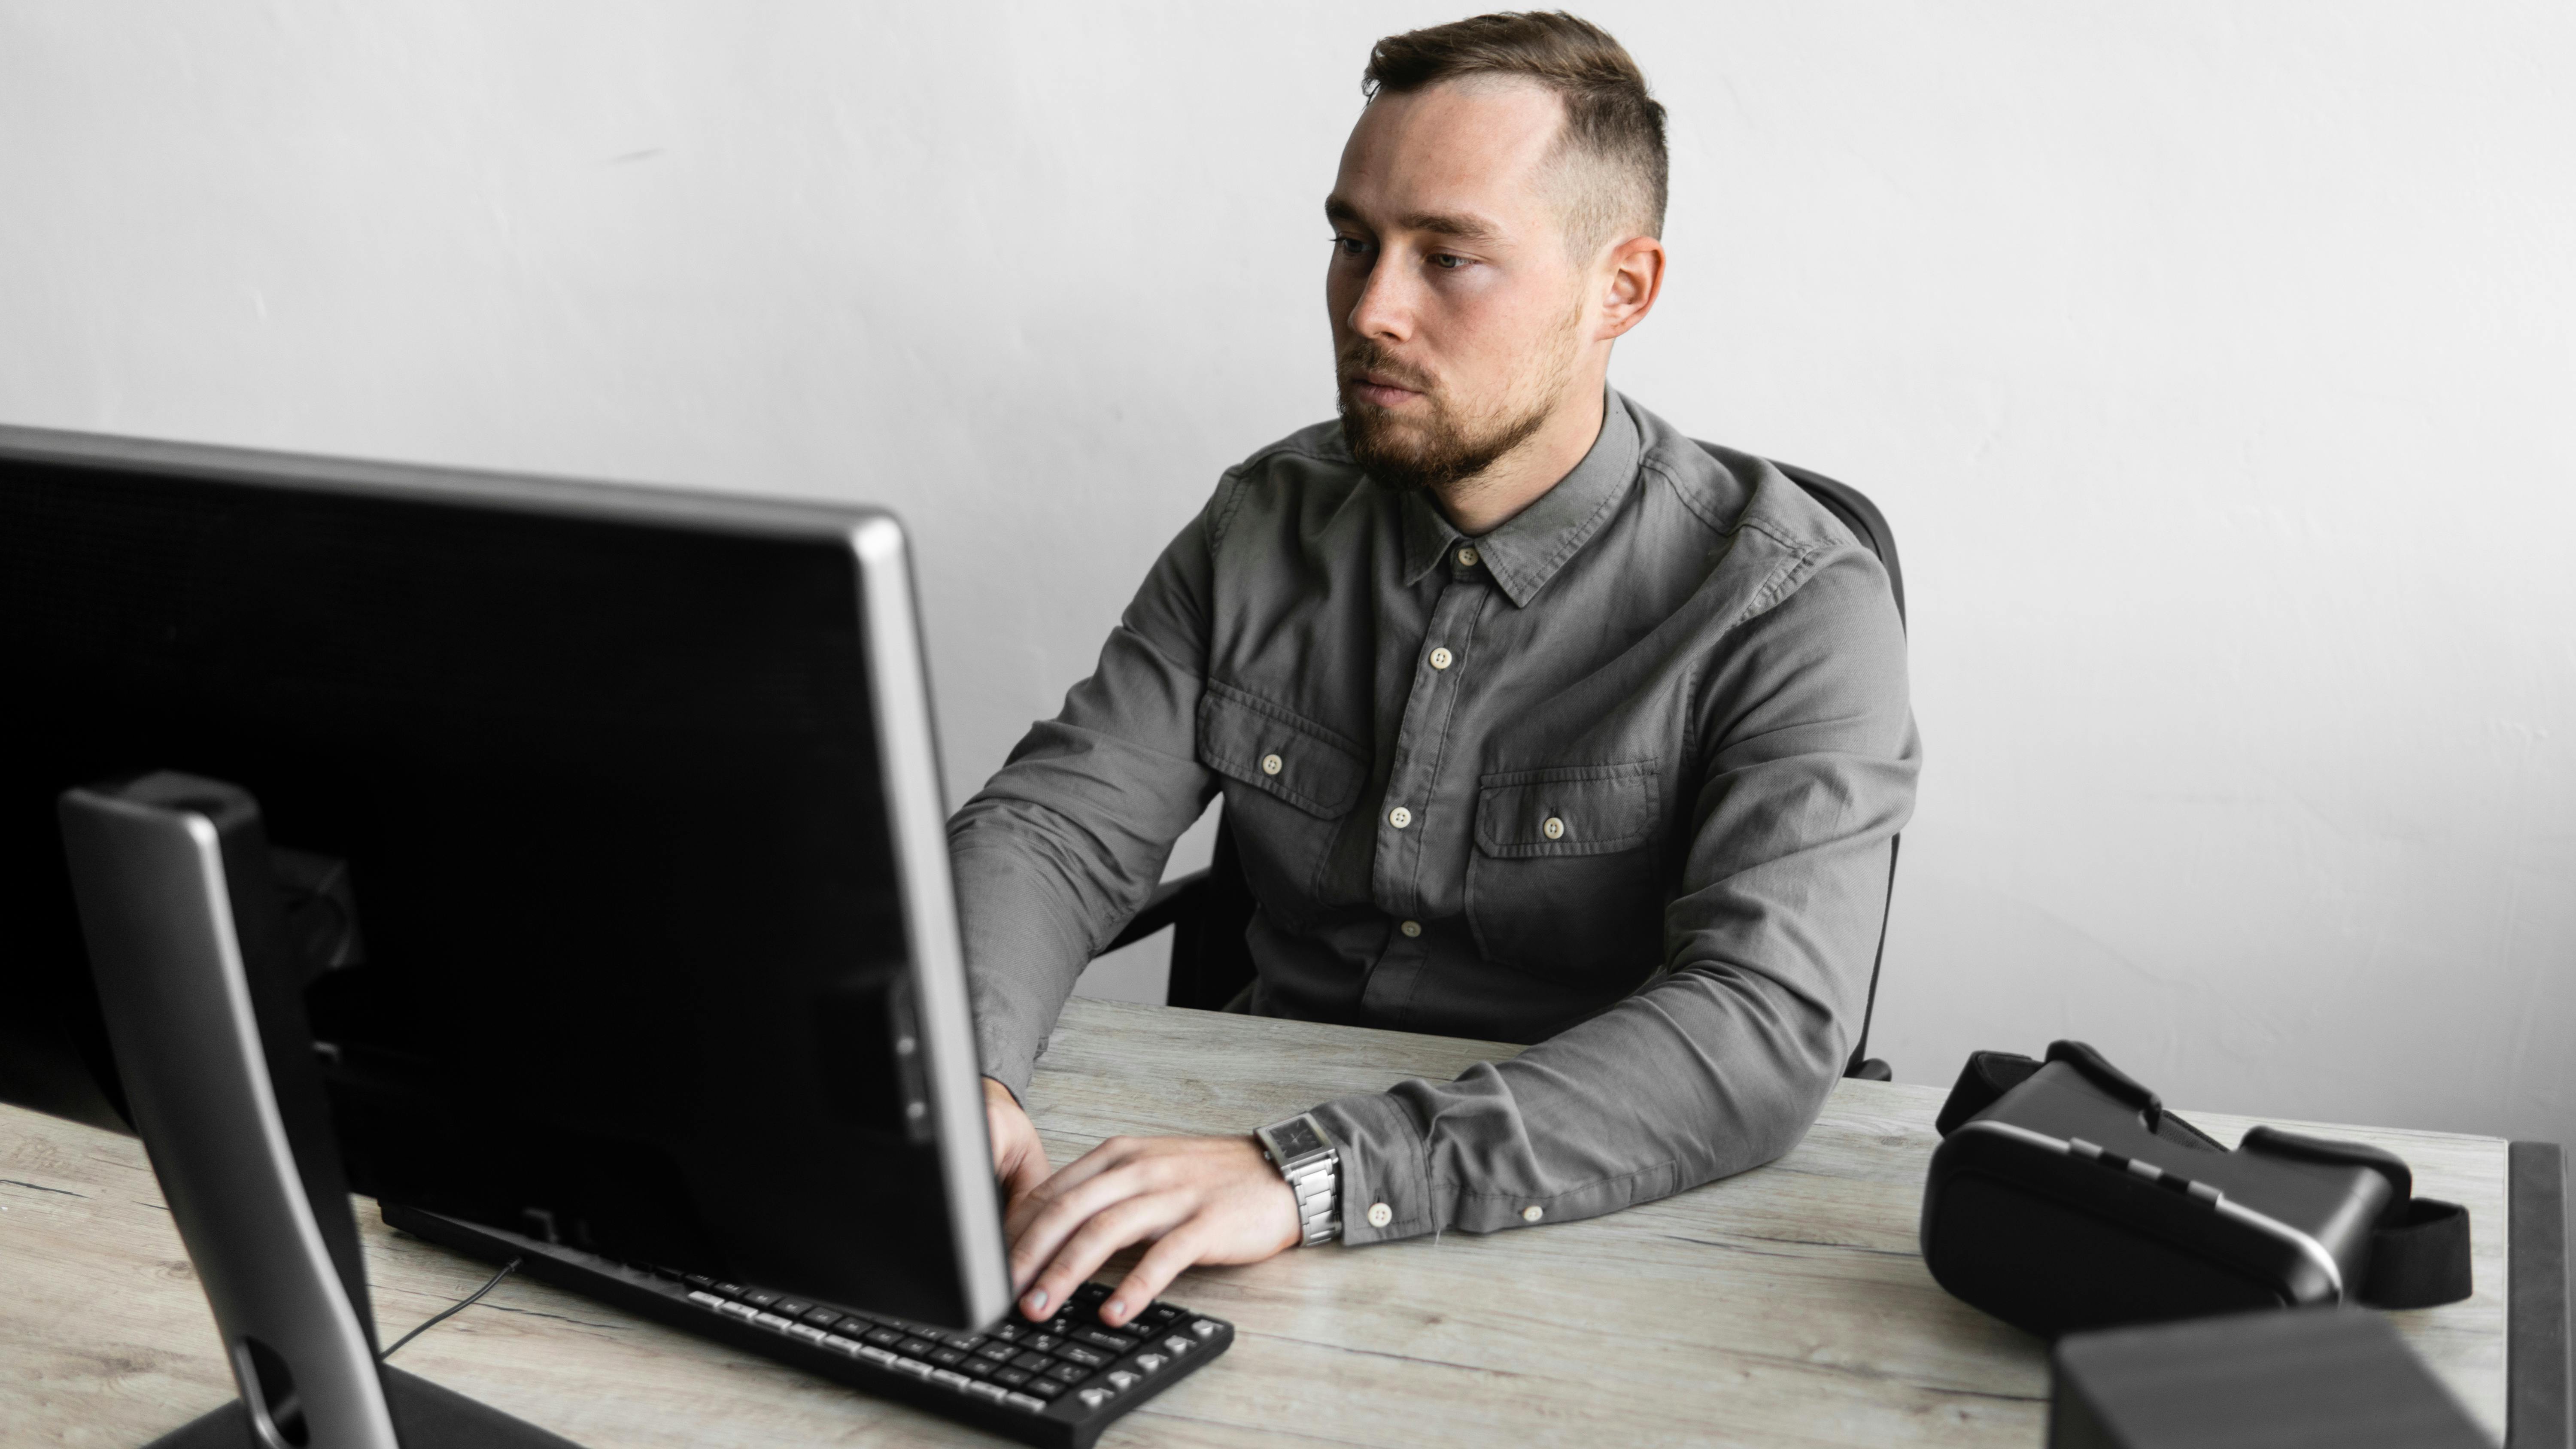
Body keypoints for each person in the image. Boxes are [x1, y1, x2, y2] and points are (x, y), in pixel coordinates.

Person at [948, 10, 1918, 1330]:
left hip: (1592, 1228)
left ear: (1621, 288)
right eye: (1354, 243)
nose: (1372, 310)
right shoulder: (1267, 520)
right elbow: (1058, 826)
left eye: (1449, 257)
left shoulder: (1792, 601)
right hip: (1222, 1183)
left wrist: (1315, 1177)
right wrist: (966, 1079)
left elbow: (1761, 1020)